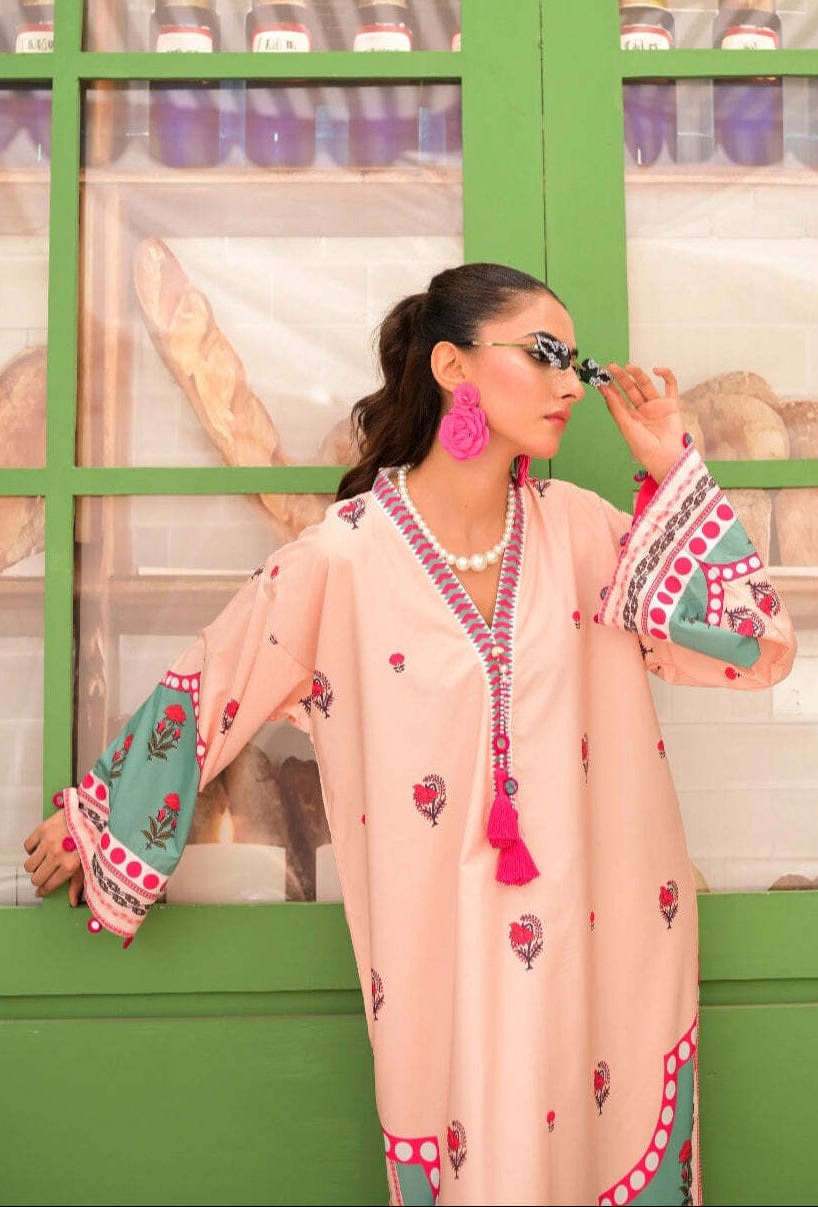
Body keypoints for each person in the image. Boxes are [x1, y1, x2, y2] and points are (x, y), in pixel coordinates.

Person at [23, 263, 795, 1207]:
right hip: (447, 963)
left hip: (603, 951)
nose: (569, 382)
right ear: (452, 366)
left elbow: (755, 646)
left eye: (574, 361)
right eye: (543, 353)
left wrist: (672, 464)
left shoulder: (587, 539)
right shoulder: (344, 559)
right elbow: (216, 681)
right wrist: (102, 817)